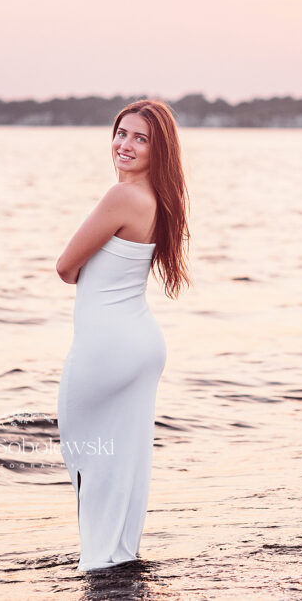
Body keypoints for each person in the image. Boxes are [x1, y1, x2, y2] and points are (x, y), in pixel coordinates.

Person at [54, 99, 191, 571]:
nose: (125, 145)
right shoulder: (159, 200)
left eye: (140, 138)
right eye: (121, 133)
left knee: (87, 460)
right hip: (141, 344)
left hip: (106, 348)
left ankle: (98, 565)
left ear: (159, 150)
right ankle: (119, 559)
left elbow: (66, 267)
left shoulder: (122, 198)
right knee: (125, 465)